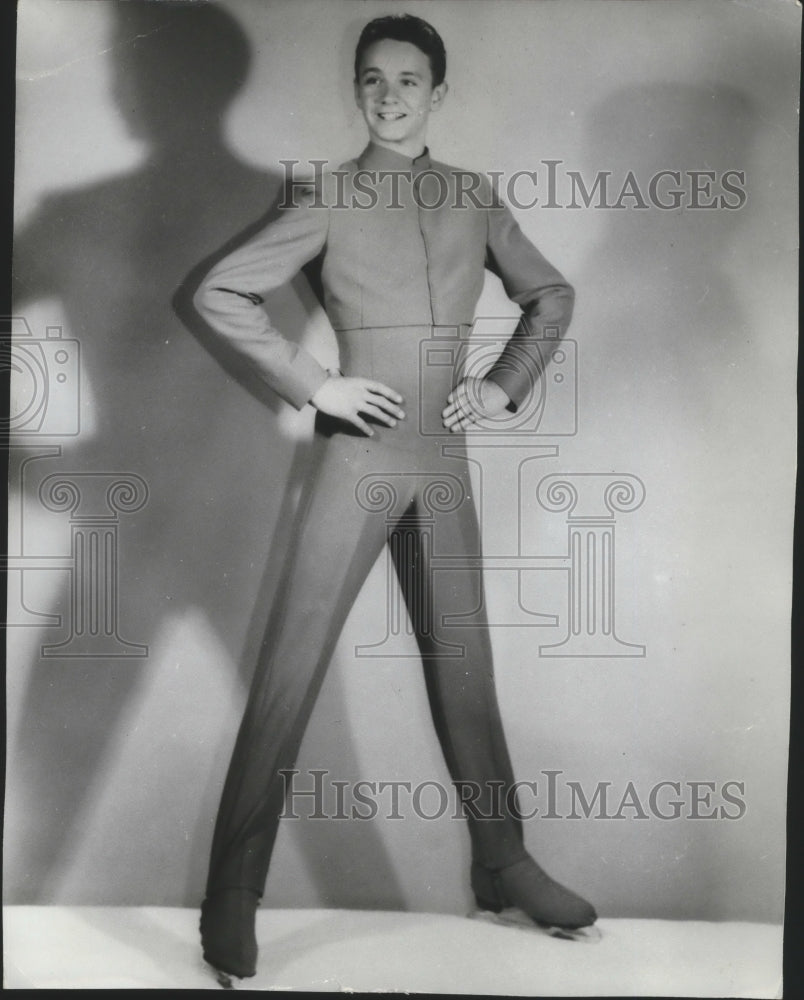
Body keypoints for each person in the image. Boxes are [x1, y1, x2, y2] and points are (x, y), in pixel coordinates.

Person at [192, 13, 597, 981]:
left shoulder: (474, 197)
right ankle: (231, 893)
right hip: (360, 455)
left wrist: (502, 383)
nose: (389, 94)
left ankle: (503, 860)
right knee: (290, 675)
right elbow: (219, 291)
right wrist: (315, 383)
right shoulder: (326, 195)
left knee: (465, 671)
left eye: (409, 79)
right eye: (372, 78)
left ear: (438, 91)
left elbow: (551, 296)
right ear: (360, 90)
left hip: (441, 456)